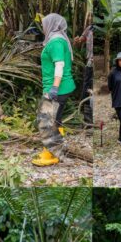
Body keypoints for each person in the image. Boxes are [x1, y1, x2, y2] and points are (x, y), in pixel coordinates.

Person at [34, 13, 75, 166]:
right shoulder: (57, 39)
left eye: (44, 24)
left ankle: (53, 154)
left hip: (58, 87)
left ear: (51, 24)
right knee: (56, 120)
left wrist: (54, 88)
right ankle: (57, 152)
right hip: (60, 86)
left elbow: (59, 65)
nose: (43, 27)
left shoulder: (56, 41)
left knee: (46, 122)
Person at [73, 23, 94, 128]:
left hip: (95, 64)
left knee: (93, 90)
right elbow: (81, 40)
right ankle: (87, 120)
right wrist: (77, 40)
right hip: (89, 63)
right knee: (87, 89)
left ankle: (90, 120)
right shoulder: (89, 28)